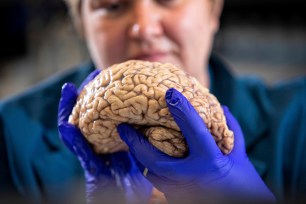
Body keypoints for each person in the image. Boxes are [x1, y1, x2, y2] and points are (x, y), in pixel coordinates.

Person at [0, 0, 305, 203]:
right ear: (82, 24)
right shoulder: (12, 138)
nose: (144, 27)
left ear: (213, 10)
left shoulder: (299, 122)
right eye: (113, 5)